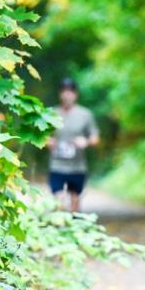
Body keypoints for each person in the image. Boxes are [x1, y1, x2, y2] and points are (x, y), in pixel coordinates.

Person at [47, 78, 99, 212]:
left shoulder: (85, 114)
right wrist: (47, 141)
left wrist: (86, 142)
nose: (67, 95)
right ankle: (59, 228)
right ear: (60, 94)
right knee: (59, 200)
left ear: (76, 94)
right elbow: (41, 135)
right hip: (57, 164)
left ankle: (74, 227)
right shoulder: (51, 113)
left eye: (70, 91)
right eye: (64, 91)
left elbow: (95, 138)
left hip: (77, 166)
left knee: (75, 201)